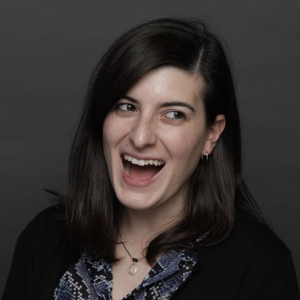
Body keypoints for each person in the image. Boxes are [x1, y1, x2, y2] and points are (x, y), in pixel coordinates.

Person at [2, 18, 299, 300]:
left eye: (173, 114)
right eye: (126, 107)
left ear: (211, 134)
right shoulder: (44, 238)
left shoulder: (260, 266)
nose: (141, 137)